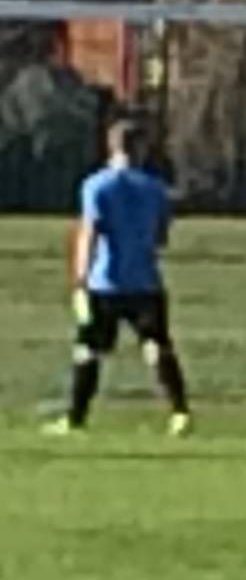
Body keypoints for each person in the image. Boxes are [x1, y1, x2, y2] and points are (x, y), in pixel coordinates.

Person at [50, 118, 191, 438]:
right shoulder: (154, 189)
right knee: (157, 345)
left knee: (89, 350)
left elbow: (90, 233)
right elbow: (160, 236)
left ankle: (75, 418)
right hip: (145, 281)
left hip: (106, 282)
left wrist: (80, 280)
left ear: (110, 147)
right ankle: (179, 412)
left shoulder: (96, 185)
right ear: (140, 149)